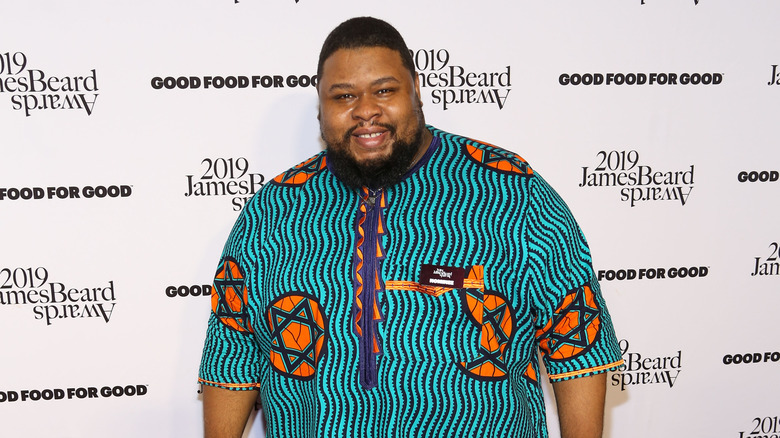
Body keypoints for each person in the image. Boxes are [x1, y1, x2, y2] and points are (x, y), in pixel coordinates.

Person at [199, 16, 623, 438]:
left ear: (416, 90)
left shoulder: (511, 192)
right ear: (321, 108)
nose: (365, 110)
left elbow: (580, 344)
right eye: (343, 95)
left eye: (384, 90)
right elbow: (231, 356)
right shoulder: (273, 211)